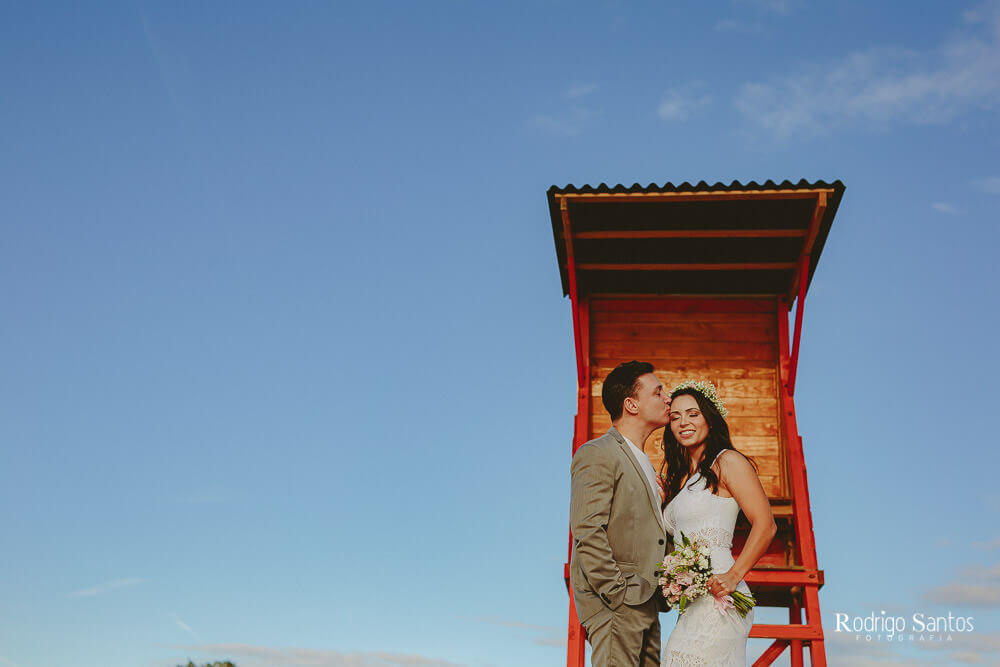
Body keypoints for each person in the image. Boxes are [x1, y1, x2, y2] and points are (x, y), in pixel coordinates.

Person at [658, 381, 777, 667]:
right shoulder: (686, 479)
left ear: (710, 419)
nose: (683, 422)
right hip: (693, 604)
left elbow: (766, 524)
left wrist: (734, 576)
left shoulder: (728, 462)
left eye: (693, 414)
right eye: (675, 417)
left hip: (721, 599)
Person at [569, 361, 672, 666]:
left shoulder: (647, 466)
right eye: (658, 392)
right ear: (631, 404)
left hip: (647, 604)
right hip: (618, 603)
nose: (667, 398)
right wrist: (618, 594)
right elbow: (587, 531)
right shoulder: (598, 453)